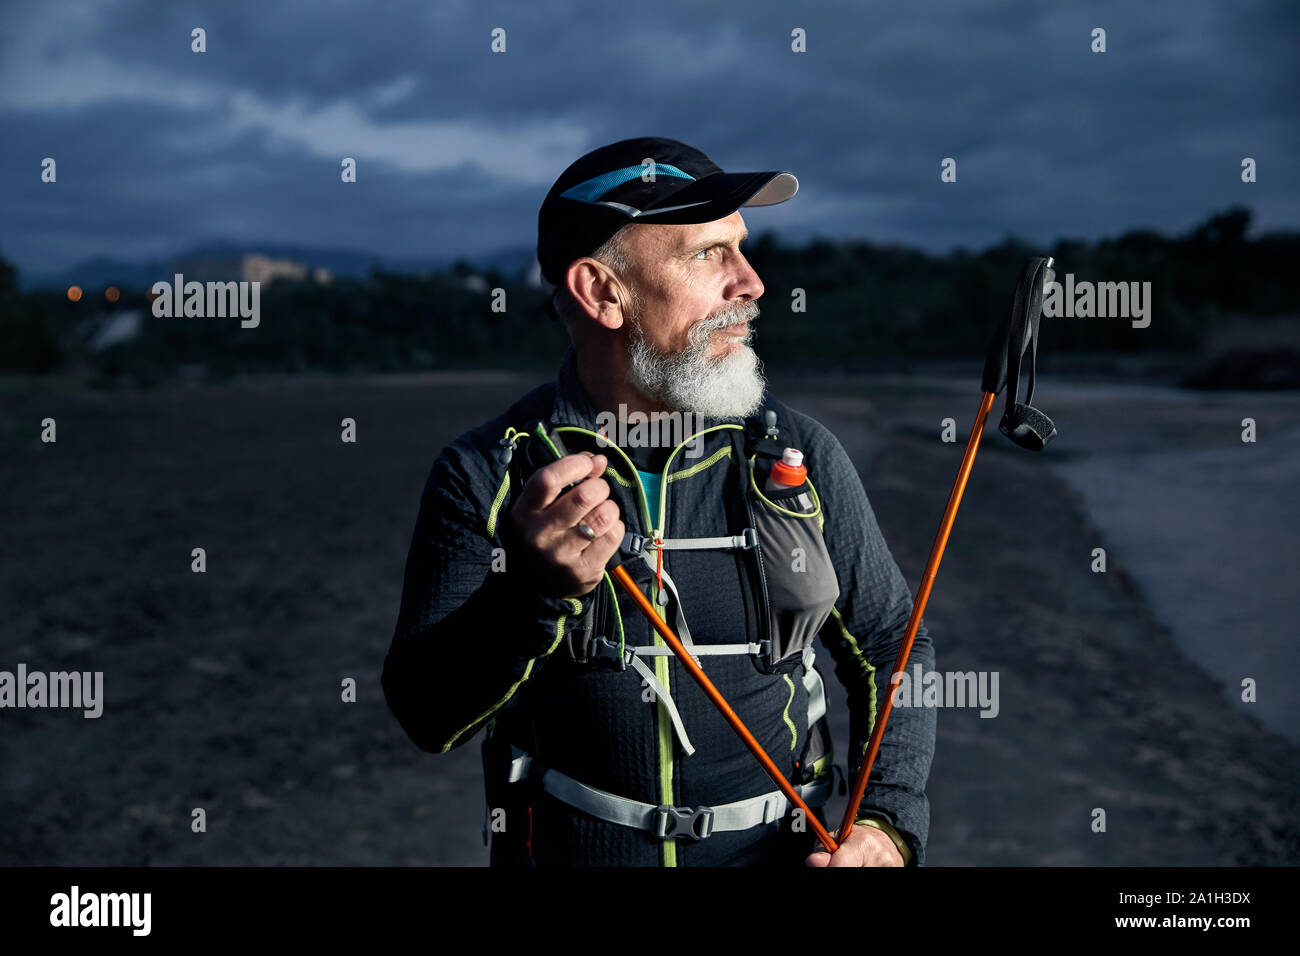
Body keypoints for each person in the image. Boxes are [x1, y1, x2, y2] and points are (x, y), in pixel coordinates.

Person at [382, 136, 936, 867]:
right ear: (602, 292)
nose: (752, 282)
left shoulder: (800, 453)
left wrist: (885, 824)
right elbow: (426, 714)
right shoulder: (486, 470)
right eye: (709, 254)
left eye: (741, 248)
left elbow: (892, 641)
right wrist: (529, 595)